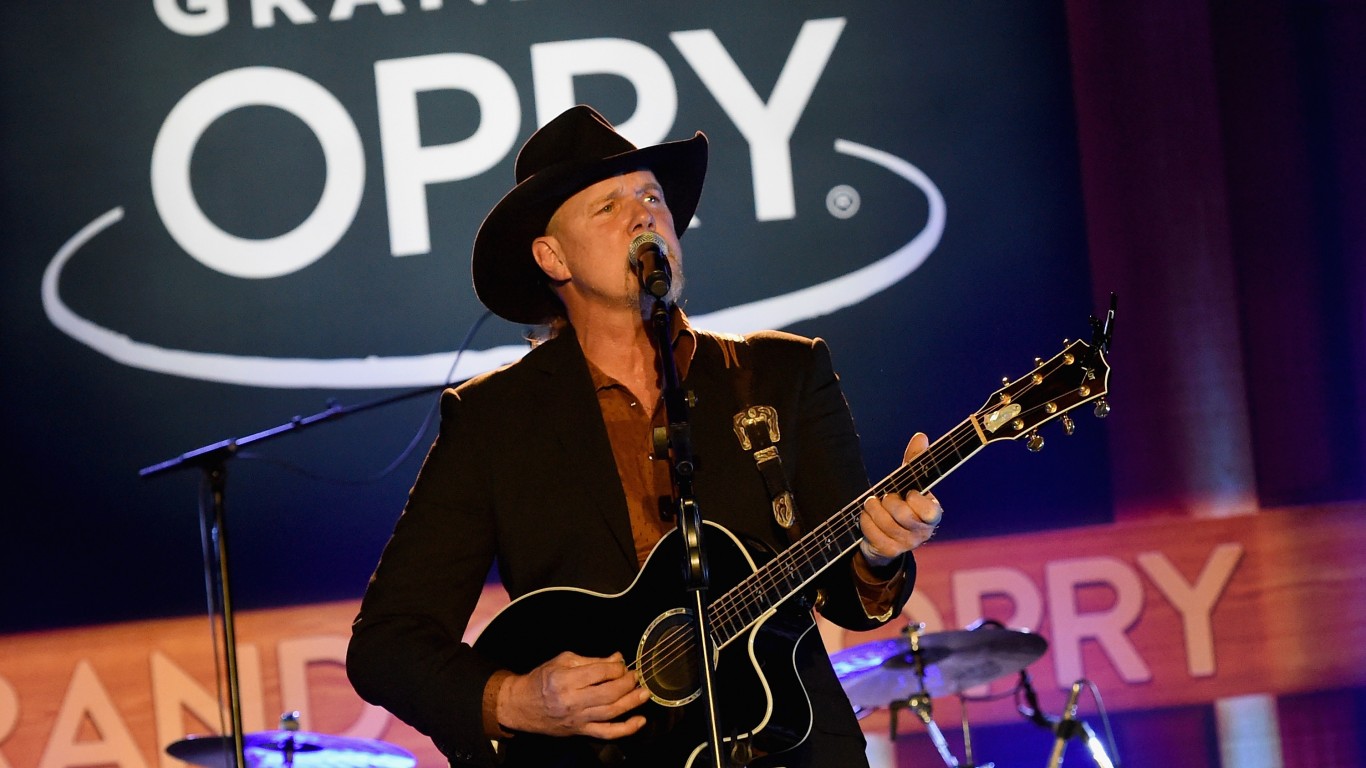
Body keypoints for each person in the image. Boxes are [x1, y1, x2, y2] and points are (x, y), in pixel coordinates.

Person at [346, 105, 943, 768]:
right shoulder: (494, 420)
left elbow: (850, 597)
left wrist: (878, 556)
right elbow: (387, 643)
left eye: (652, 197)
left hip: (792, 747)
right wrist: (514, 699)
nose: (643, 216)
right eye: (608, 206)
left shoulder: (783, 372)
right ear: (552, 256)